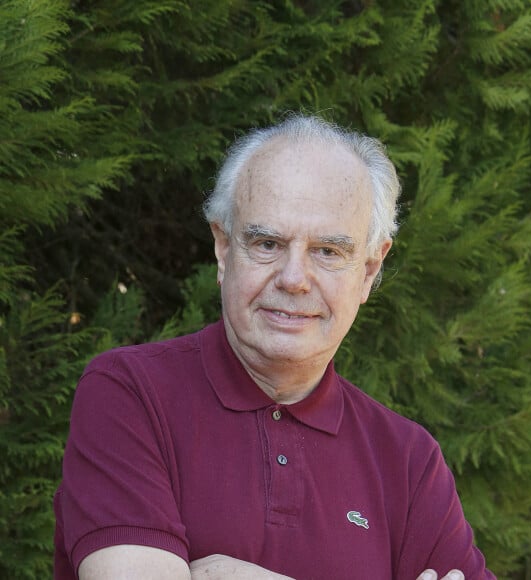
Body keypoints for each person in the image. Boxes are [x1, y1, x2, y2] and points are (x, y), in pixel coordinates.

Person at [53, 115, 495, 579]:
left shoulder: (409, 461)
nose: (293, 279)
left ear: (368, 270)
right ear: (223, 249)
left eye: (328, 252)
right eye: (267, 243)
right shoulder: (130, 395)